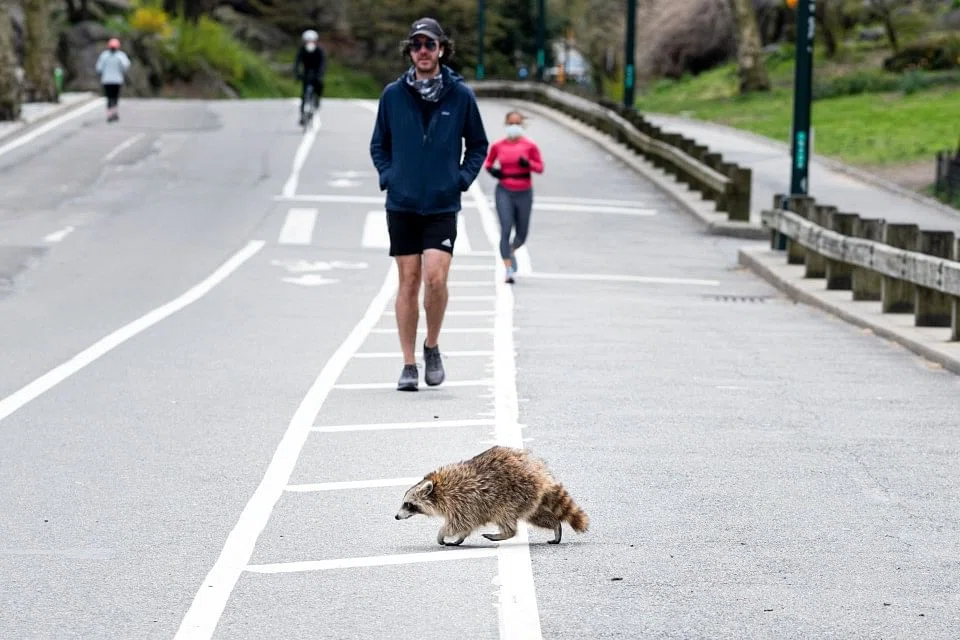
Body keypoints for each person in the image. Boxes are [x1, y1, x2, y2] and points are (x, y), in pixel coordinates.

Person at [369, 17, 489, 392]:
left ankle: (432, 346)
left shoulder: (460, 95)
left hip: (441, 204)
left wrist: (460, 180)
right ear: (410, 51)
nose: (423, 51)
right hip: (402, 203)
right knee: (408, 281)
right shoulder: (393, 95)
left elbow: (478, 145)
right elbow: (379, 144)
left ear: (441, 50)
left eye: (429, 44)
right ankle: (408, 364)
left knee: (435, 279)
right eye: (416, 45)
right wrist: (389, 176)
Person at [483, 110, 544, 283]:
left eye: (517, 124)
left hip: (524, 192)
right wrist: (493, 171)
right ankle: (508, 269)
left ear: (522, 125)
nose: (514, 127)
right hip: (504, 190)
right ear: (506, 124)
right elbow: (488, 162)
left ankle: (511, 249)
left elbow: (540, 168)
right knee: (506, 227)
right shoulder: (498, 145)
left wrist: (528, 164)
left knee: (522, 234)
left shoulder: (530, 146)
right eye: (511, 123)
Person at [293, 29, 326, 125]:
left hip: (316, 72)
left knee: (319, 85)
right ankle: (302, 115)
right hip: (306, 73)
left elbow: (322, 63)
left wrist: (320, 73)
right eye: (308, 40)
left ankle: (317, 99)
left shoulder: (319, 50)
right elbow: (297, 63)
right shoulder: (302, 50)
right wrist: (297, 74)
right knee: (304, 95)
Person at [94, 38, 130, 123]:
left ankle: (111, 113)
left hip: (107, 80)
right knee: (114, 97)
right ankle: (113, 113)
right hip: (116, 80)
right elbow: (125, 66)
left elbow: (99, 68)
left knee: (110, 97)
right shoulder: (120, 55)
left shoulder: (104, 55)